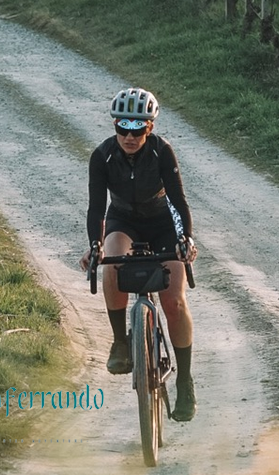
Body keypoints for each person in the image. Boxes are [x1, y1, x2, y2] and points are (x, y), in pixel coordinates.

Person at [78, 87, 199, 422]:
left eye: (138, 128)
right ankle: (120, 342)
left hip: (162, 223)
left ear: (150, 128)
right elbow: (96, 208)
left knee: (174, 301)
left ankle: (185, 381)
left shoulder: (162, 153)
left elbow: (178, 200)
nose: (129, 136)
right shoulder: (102, 157)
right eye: (123, 127)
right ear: (115, 125)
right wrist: (95, 244)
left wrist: (185, 239)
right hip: (124, 220)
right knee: (112, 264)